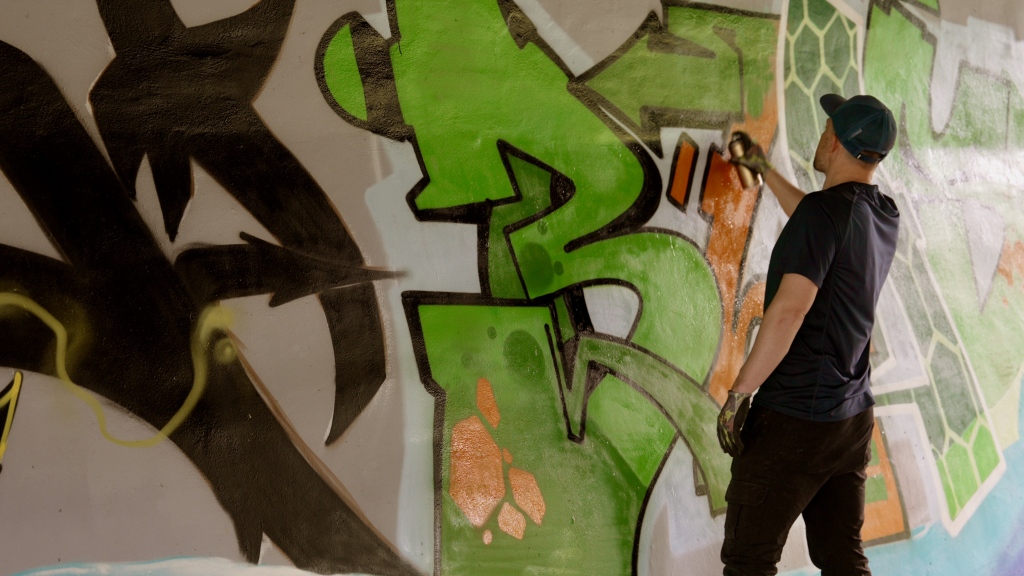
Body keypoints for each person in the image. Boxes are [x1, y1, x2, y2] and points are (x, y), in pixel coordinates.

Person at [716, 93, 900, 576]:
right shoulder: (882, 213)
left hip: (794, 419)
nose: (820, 136)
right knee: (842, 559)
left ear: (834, 141)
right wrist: (762, 169)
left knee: (749, 562)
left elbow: (788, 312)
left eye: (826, 129)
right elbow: (816, 219)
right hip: (850, 419)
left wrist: (739, 395)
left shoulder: (823, 216)